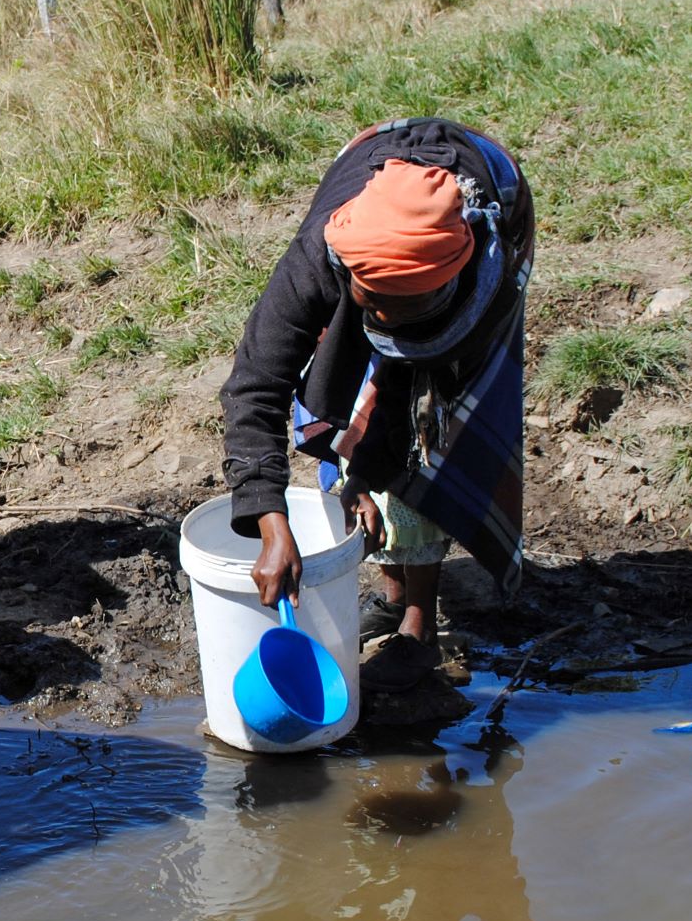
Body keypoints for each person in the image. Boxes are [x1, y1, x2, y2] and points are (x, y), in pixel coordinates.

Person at [218, 117, 533, 686]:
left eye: (402, 310)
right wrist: (271, 520)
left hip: (487, 212)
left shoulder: (480, 275)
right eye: (372, 304)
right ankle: (392, 597)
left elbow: (406, 386)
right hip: (374, 219)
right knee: (352, 399)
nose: (384, 318)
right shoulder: (323, 255)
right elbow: (256, 385)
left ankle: (419, 626)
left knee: (431, 432)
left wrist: (367, 465)